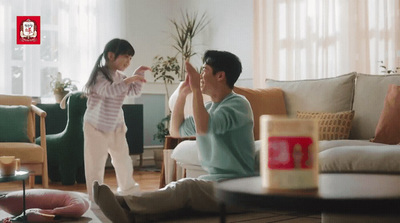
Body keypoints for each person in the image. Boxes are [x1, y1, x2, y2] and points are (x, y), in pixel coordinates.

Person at [93, 50, 255, 223]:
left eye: (204, 70)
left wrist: (196, 90)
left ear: (220, 75)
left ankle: (124, 203)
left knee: (186, 187)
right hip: (214, 183)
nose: (200, 76)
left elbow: (204, 128)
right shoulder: (208, 109)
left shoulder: (238, 104)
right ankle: (130, 216)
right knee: (178, 205)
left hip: (237, 190)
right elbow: (176, 131)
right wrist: (183, 96)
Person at [83, 38, 151, 202]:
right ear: (111, 56)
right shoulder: (99, 75)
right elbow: (109, 91)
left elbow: (134, 92)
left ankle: (128, 191)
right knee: (95, 164)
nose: (128, 61)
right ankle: (95, 197)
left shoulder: (121, 76)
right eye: (126, 56)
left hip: (116, 126)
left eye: (130, 58)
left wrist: (138, 75)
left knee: (123, 160)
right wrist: (129, 80)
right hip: (95, 126)